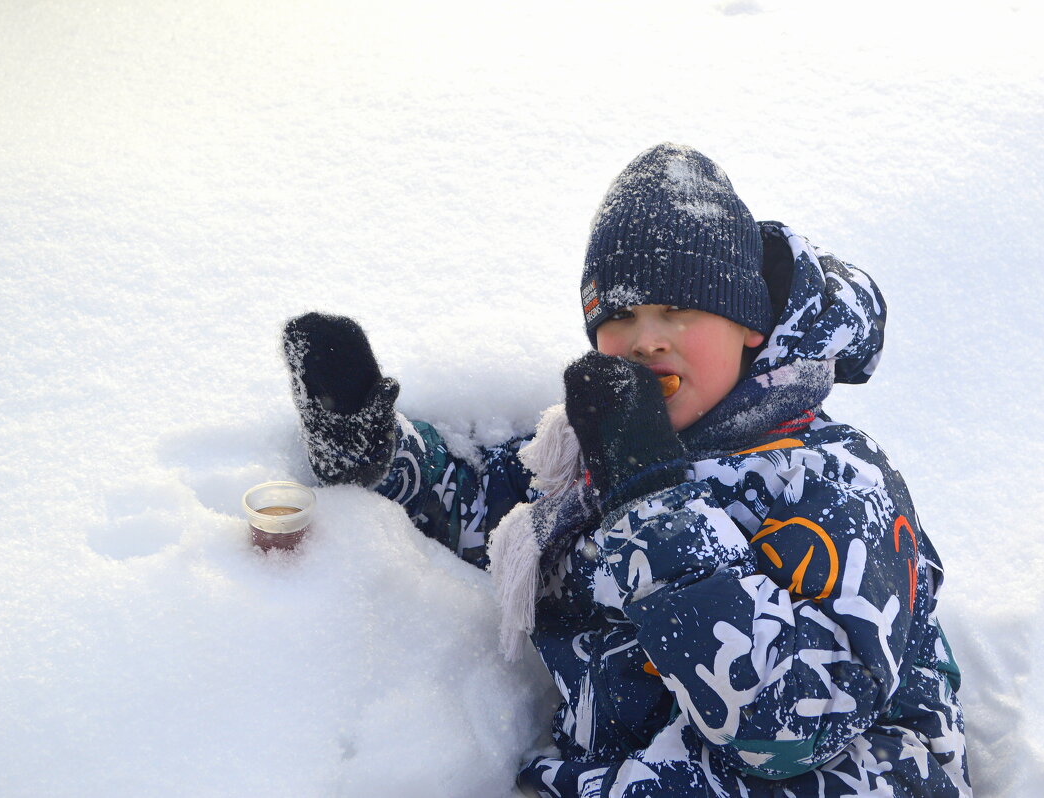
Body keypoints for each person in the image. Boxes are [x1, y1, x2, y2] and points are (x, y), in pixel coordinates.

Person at [282, 143, 972, 796]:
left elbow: (789, 729)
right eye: (620, 317)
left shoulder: (835, 481)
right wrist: (372, 446)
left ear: (749, 324)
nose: (647, 339)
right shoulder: (592, 457)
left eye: (678, 309)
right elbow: (487, 507)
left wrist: (651, 506)